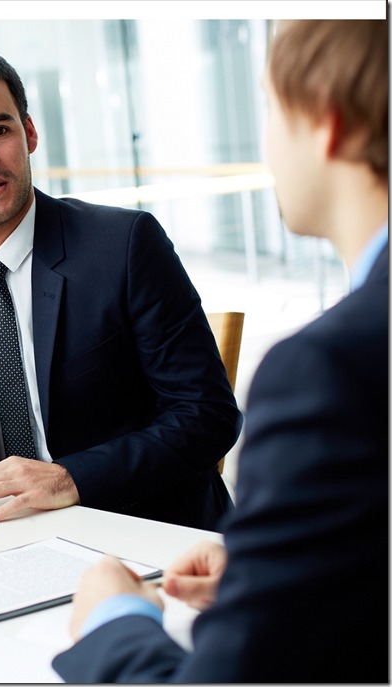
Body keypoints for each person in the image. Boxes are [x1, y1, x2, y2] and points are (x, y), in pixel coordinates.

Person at [53, 19, 388, 682]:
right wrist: (288, 564)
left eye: (269, 106)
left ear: (329, 122)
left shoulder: (327, 370)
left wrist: (113, 618)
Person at [0, 44, 241, 530]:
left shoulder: (126, 245)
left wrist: (70, 477)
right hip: (11, 536)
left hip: (151, 530)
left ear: (29, 133)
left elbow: (207, 416)